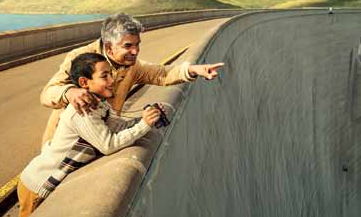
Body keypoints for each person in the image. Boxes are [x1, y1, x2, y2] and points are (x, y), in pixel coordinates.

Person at [18, 53, 165, 217]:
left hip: (46, 178)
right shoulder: (82, 110)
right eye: (105, 76)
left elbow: (116, 127)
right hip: (38, 184)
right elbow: (108, 145)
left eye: (111, 74)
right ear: (84, 83)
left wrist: (145, 118)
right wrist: (144, 125)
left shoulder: (98, 102)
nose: (112, 80)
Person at [39, 13, 224, 144]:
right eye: (128, 46)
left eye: (137, 45)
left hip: (100, 138)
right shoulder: (79, 58)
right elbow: (48, 93)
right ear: (109, 48)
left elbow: (161, 74)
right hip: (62, 147)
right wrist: (70, 91)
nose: (135, 52)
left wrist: (194, 69)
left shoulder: (132, 66)